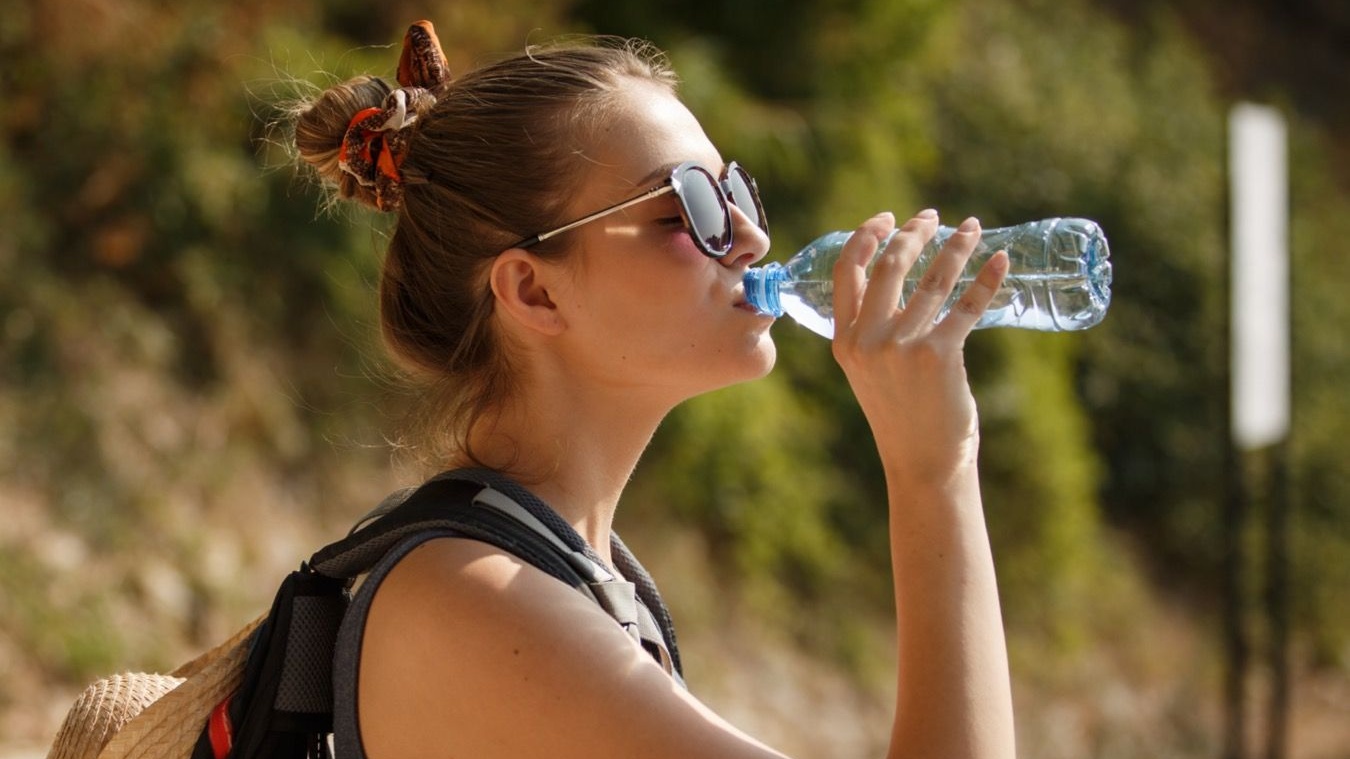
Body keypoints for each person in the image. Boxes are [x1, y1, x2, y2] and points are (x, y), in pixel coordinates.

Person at [292, 19, 1015, 759]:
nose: (751, 239)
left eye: (735, 191)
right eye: (687, 208)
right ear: (534, 291)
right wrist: (934, 472)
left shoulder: (573, 572)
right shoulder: (472, 596)